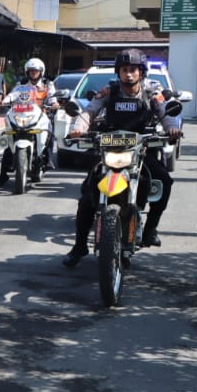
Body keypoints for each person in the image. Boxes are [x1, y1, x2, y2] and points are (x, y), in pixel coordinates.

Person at [61, 48, 180, 266]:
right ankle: (79, 246)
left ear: (141, 72)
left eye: (133, 69)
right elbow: (90, 111)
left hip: (141, 149)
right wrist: (78, 128)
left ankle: (150, 229)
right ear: (119, 72)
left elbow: (164, 113)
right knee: (87, 196)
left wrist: (171, 128)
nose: (129, 74)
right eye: (124, 70)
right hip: (110, 149)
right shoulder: (109, 92)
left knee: (164, 181)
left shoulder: (151, 93)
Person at [0, 57, 57, 184]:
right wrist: (5, 101)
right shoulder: (21, 85)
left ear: (41, 72)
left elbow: (52, 97)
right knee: (10, 141)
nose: (33, 73)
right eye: (31, 71)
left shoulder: (47, 84)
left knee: (50, 134)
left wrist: (54, 103)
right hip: (22, 115)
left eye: (36, 71)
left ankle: (49, 160)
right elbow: (12, 95)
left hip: (41, 115)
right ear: (27, 72)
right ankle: (3, 175)